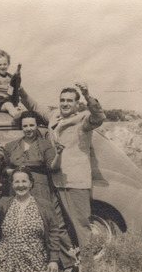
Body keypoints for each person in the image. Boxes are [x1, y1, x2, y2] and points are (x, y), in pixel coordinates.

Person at [19, 83, 106, 248]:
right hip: (56, 180)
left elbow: (99, 117)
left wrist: (87, 95)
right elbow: (35, 106)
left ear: (77, 104)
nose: (65, 104)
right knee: (58, 225)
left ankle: (89, 270)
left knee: (81, 225)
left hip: (75, 181)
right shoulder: (54, 116)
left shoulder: (84, 119)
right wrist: (21, 90)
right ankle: (69, 265)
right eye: (62, 100)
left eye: (69, 101)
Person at [0, 110, 75, 269]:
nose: (28, 129)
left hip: (40, 186)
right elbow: (4, 168)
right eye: (25, 125)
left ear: (36, 126)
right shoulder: (12, 146)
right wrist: (9, 171)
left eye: (31, 125)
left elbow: (53, 167)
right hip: (18, 186)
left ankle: (66, 263)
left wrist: (58, 155)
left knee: (47, 222)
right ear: (21, 127)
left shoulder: (46, 146)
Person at [0, 167, 62, 272]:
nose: (20, 185)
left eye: (24, 181)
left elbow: (54, 232)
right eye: (16, 182)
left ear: (31, 183)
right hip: (6, 264)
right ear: (12, 185)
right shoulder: (3, 204)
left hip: (35, 263)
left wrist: (54, 260)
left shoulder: (45, 205)